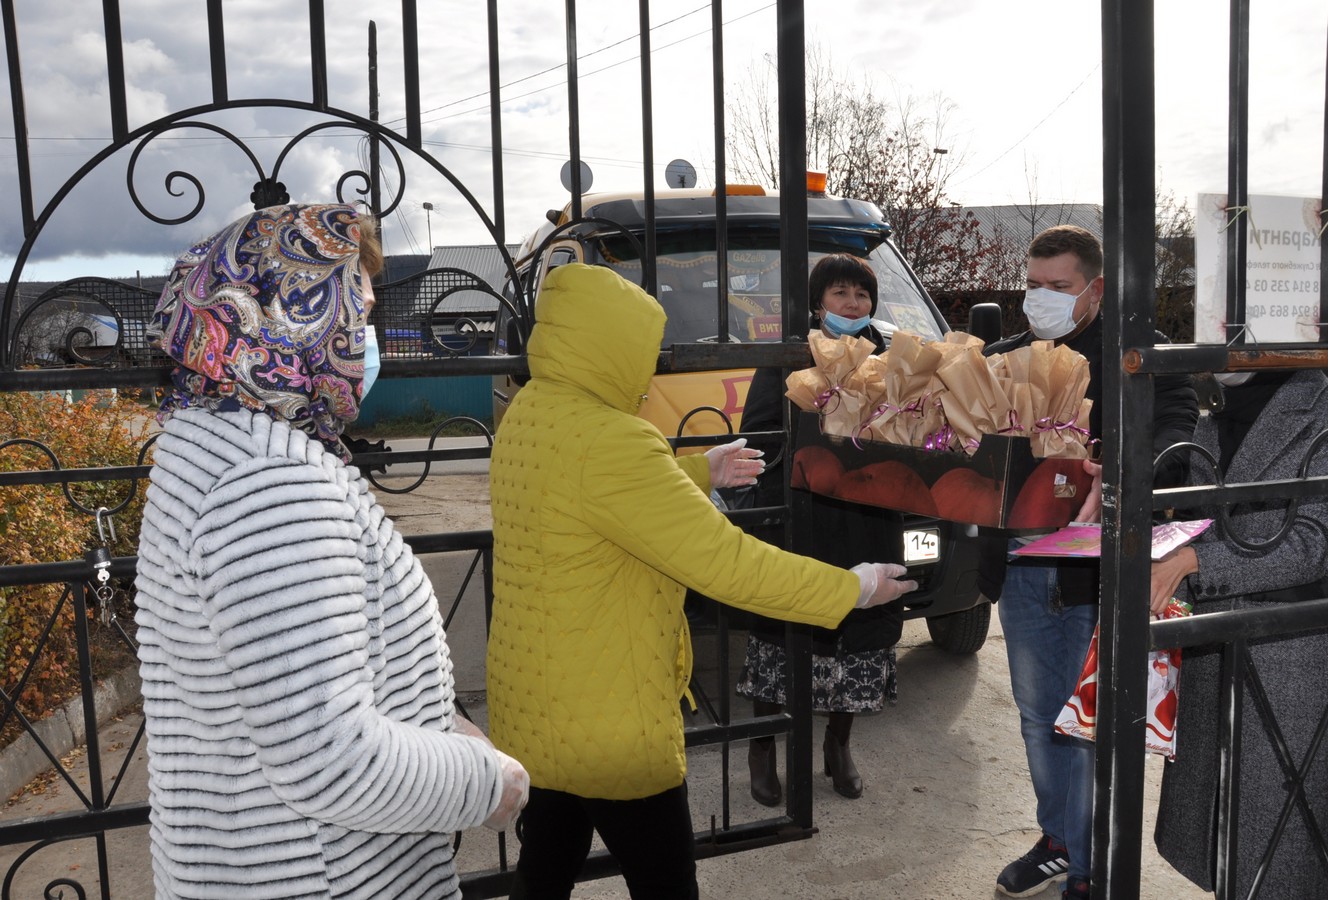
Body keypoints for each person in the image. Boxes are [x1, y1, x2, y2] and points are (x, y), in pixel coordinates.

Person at [486, 262, 916, 900]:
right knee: (665, 885)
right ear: (613, 345)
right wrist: (848, 589)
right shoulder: (612, 439)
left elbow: (591, 501)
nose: (652, 365)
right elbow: (728, 564)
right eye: (646, 350)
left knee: (547, 865)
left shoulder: (531, 415)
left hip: (535, 703)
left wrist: (695, 471)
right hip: (611, 718)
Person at [136, 203, 528, 900]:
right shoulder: (267, 480)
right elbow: (329, 760)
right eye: (356, 310)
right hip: (323, 875)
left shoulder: (214, 438)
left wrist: (440, 725)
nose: (363, 337)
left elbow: (291, 688)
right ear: (293, 315)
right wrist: (487, 782)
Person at [983, 225, 1199, 900]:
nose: (1041, 300)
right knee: (1034, 713)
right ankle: (1058, 839)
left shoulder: (1137, 358)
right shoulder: (1004, 356)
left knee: (1088, 726)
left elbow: (1177, 429)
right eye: (1033, 286)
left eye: (1058, 288)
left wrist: (1127, 464)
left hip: (1098, 569)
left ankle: (1088, 867)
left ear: (1095, 288)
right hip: (1023, 564)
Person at [1151, 368, 1328, 898]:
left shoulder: (1327, 414)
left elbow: (1315, 543)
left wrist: (1196, 560)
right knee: (1217, 830)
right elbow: (1194, 519)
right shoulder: (1214, 415)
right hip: (1211, 642)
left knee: (1274, 837)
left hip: (1281, 649)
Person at [733, 252, 900, 803]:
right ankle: (763, 748)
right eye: (840, 294)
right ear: (818, 302)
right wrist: (816, 431)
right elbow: (757, 430)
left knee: (859, 630)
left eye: (861, 295)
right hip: (800, 513)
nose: (853, 305)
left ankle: (838, 744)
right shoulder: (788, 354)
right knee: (782, 624)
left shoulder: (893, 355)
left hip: (867, 514)